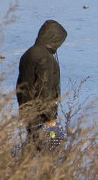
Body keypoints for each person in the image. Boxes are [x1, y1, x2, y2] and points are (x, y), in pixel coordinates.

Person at [15, 19, 67, 151]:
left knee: (33, 149)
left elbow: (20, 86)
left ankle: (24, 168)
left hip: (27, 111)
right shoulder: (45, 58)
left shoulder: (28, 53)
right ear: (54, 38)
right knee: (48, 153)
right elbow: (45, 89)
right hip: (41, 117)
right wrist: (50, 118)